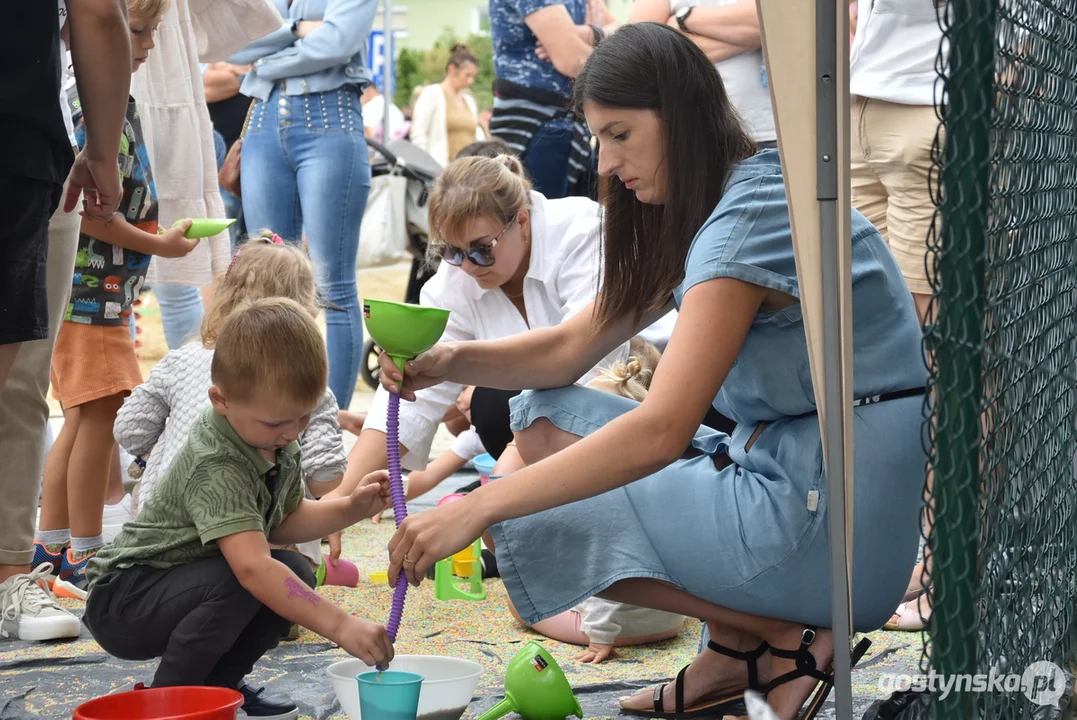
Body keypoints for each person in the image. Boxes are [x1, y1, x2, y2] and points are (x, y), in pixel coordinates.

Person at [379, 24, 926, 720]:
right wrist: (448, 362)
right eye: (598, 138)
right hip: (811, 486)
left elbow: (662, 430)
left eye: (619, 135)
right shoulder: (726, 196)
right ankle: (743, 647)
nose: (604, 164)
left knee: (520, 501)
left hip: (832, 527)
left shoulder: (745, 222)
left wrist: (477, 504)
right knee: (537, 416)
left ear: (681, 116)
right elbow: (567, 351)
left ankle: (783, 639)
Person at [83, 298, 394, 718]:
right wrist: (341, 626)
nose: (290, 432)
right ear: (220, 400)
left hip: (184, 583)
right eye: (275, 423)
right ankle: (169, 702)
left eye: (301, 418)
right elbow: (252, 567)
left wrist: (351, 507)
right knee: (249, 577)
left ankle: (217, 691)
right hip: (125, 599)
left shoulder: (273, 436)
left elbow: (281, 522)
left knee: (296, 570)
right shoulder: (217, 460)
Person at [323, 153, 636, 555]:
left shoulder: (579, 231)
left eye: (481, 249)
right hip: (545, 433)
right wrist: (342, 500)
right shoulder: (455, 278)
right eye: (451, 252)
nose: (468, 266)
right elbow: (408, 403)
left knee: (494, 404)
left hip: (634, 400)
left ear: (521, 220)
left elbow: (592, 367)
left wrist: (495, 493)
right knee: (494, 406)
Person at [34, 0, 201, 603]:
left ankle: (50, 547)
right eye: (137, 30)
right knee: (100, 416)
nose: (149, 45)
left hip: (95, 295)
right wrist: (158, 243)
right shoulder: (88, 106)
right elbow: (93, 216)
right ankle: (86, 552)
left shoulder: (111, 105)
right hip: (90, 295)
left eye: (152, 32)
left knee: (80, 417)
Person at [0, 0, 132, 643]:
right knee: (20, 382)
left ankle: (9, 573)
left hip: (30, 145)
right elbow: (98, 15)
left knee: (22, 385)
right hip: (19, 145)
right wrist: (101, 150)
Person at [112, 236, 347, 534]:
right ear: (305, 308)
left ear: (225, 291)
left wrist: (165, 447)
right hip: (259, 530)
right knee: (298, 512)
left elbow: (128, 431)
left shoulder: (181, 360)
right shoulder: (303, 381)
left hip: (163, 526)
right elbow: (326, 477)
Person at [229, 0, 379, 412]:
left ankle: (330, 422)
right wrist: (297, 29)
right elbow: (233, 45)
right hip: (263, 124)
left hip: (329, 119)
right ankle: (272, 413)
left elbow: (337, 43)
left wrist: (268, 61)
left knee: (333, 283)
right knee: (264, 280)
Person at [850, 0, 945, 635]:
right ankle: (901, 559)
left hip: (936, 96)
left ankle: (946, 563)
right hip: (859, 93)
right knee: (867, 347)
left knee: (937, 353)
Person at [502, 338, 687, 665]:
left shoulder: (597, 491)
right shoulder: (654, 476)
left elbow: (612, 569)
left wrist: (601, 635)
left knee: (519, 602)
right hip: (672, 619)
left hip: (621, 626)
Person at [488, 0, 599, 199]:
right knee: (538, 221)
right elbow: (573, 59)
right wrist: (587, 41)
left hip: (568, 127)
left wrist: (589, 34)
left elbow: (618, 29)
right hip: (534, 126)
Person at [629, 0, 777, 150]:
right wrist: (752, 38)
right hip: (704, 139)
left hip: (776, 131)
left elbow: (771, 19)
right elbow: (643, 48)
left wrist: (684, 17)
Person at [410, 44, 485, 167]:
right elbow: (419, 133)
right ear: (452, 69)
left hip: (467, 172)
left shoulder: (469, 101)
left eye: (473, 77)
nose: (471, 81)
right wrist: (424, 166)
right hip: (440, 169)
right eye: (467, 75)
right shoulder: (432, 94)